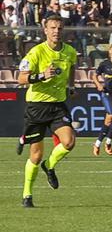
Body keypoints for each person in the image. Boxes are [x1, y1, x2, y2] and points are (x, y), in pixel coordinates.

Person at [17, 15, 78, 208]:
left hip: (58, 105)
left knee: (69, 142)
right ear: (45, 30)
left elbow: (72, 68)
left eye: (59, 28)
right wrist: (42, 76)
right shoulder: (36, 53)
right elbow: (21, 79)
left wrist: (71, 86)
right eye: (52, 28)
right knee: (35, 155)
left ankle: (49, 165)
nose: (56, 31)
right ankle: (27, 194)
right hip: (37, 106)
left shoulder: (69, 51)